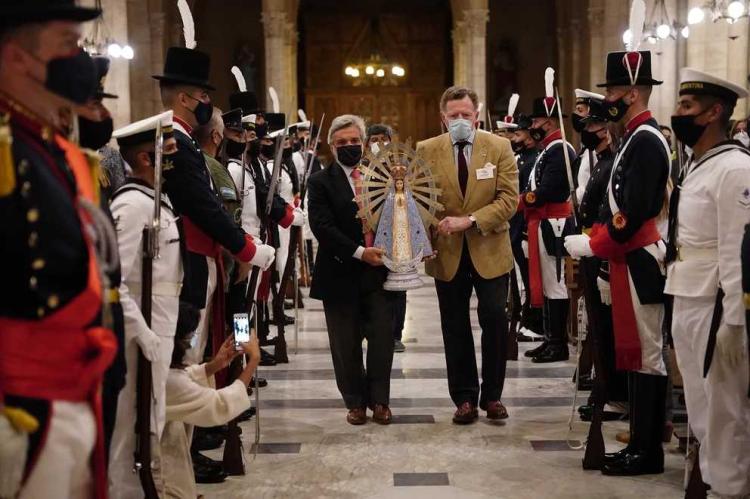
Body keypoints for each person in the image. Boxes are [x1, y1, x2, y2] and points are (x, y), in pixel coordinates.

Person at [0, 3, 118, 498]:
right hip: (19, 409)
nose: (82, 61)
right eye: (69, 45)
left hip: (70, 389)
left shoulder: (47, 145)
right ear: (18, 57)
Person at [565, 47, 671, 476]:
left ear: (630, 92)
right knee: (638, 354)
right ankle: (640, 444)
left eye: (611, 89)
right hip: (629, 258)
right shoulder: (632, 137)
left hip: (640, 261)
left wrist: (596, 245)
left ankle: (647, 451)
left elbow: (636, 210)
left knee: (647, 355)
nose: (606, 96)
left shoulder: (645, 140)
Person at [155, 45, 275, 367]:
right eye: (203, 96)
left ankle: (235, 370)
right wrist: (244, 249)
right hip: (215, 252)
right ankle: (236, 371)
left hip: (228, 249)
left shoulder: (190, 145)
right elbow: (206, 207)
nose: (207, 103)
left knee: (231, 325)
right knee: (202, 343)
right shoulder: (180, 145)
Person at [665, 68, 750, 497]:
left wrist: (735, 319)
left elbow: (738, 249)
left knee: (724, 410)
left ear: (715, 111)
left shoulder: (735, 169)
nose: (678, 114)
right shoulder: (700, 165)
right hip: (688, 292)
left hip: (715, 299)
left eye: (687, 107)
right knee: (701, 406)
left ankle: (730, 489)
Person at [417, 86, 518, 424]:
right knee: (454, 325)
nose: (460, 120)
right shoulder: (426, 149)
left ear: (477, 115)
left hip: (489, 247)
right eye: (453, 115)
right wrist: (432, 225)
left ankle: (492, 396)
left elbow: (509, 199)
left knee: (493, 318)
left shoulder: (499, 147)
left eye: (466, 114)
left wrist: (471, 220)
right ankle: (463, 398)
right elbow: (419, 199)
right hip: (447, 252)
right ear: (442, 118)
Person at [107, 111, 183, 498]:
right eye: (167, 152)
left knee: (151, 419)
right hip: (142, 333)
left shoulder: (156, 201)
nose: (174, 160)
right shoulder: (133, 205)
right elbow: (113, 280)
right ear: (144, 158)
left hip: (161, 327)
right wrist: (141, 333)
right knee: (129, 425)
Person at [308, 114, 395, 425]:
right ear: (332, 146)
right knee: (345, 343)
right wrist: (360, 252)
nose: (349, 147)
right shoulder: (319, 182)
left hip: (380, 273)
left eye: (354, 141)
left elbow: (399, 217)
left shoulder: (382, 177)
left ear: (364, 143)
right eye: (342, 143)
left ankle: (380, 401)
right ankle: (356, 402)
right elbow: (322, 227)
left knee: (383, 339)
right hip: (340, 271)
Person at [160, 304, 261, 498]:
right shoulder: (165, 378)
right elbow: (219, 405)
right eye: (190, 338)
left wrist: (215, 365)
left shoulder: (158, 368)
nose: (191, 345)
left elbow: (183, 378)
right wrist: (253, 360)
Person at [519, 69, 577, 364]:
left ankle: (558, 342)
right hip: (541, 222)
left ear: (550, 122)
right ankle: (549, 337)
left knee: (555, 284)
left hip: (554, 224)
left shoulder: (561, 149)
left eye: (537, 122)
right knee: (543, 280)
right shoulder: (548, 149)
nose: (534, 127)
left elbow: (550, 188)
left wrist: (521, 201)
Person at [366, 123, 407, 353]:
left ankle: (395, 334)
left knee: (398, 287)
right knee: (372, 285)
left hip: (397, 233)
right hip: (369, 236)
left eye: (383, 139)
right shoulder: (360, 168)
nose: (378, 143)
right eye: (374, 139)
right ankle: (373, 330)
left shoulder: (401, 168)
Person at [510, 113, 543, 339]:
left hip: (523, 222)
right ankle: (523, 313)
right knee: (520, 276)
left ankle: (531, 318)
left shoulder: (534, 159)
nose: (514, 138)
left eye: (518, 134)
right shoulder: (522, 158)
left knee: (527, 277)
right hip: (515, 223)